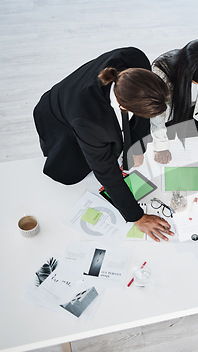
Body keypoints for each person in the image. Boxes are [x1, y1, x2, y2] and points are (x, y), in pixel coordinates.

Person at [33, 47, 173, 242]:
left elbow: (141, 118)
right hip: (57, 117)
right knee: (70, 170)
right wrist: (137, 217)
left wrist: (137, 147)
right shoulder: (89, 121)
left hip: (81, 100)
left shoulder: (135, 60)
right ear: (123, 107)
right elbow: (106, 171)